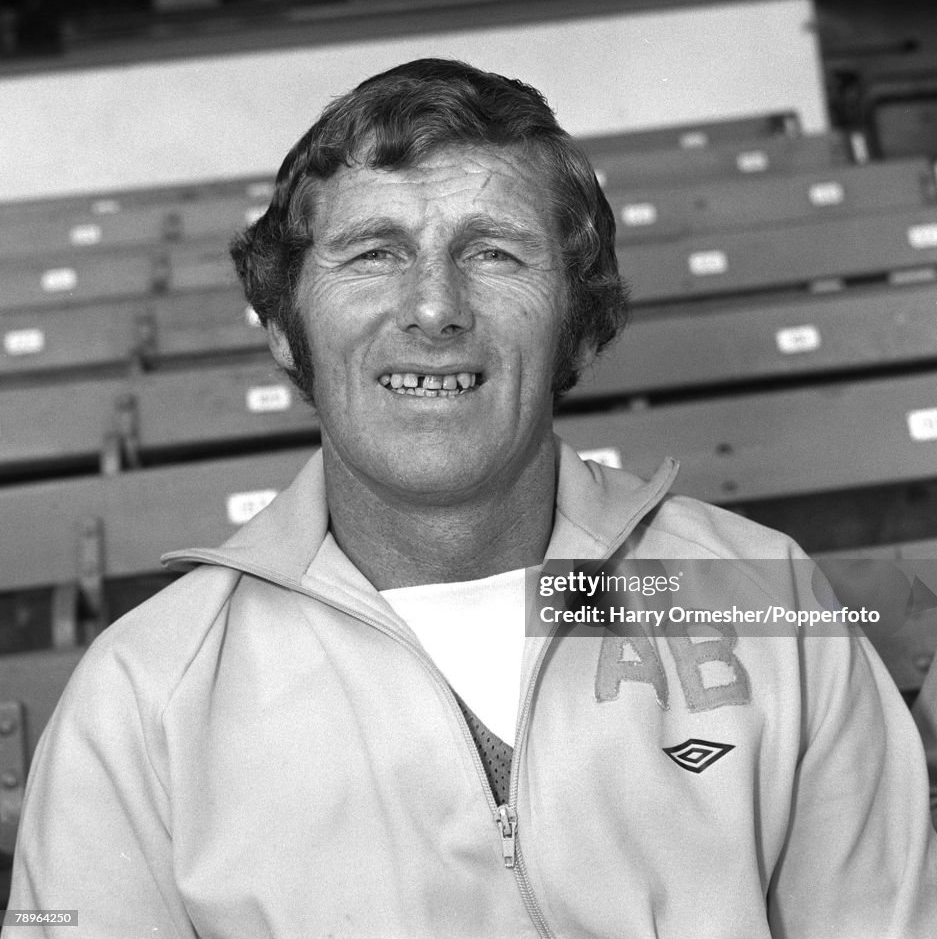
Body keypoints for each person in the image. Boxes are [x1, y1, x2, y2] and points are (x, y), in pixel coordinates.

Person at [5, 58, 936, 939]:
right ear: (286, 331)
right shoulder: (141, 694)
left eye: (494, 253)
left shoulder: (769, 595)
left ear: (582, 325)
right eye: (372, 254)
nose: (434, 308)